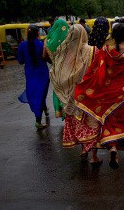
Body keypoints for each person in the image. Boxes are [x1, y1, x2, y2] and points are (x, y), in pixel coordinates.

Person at [74, 24, 124, 169]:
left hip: (109, 97)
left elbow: (94, 72)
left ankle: (112, 147)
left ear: (112, 36)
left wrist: (83, 86)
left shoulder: (104, 52)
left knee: (110, 122)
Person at [48, 24, 102, 165]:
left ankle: (83, 150)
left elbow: (56, 71)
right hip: (89, 96)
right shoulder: (93, 50)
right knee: (92, 124)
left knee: (77, 123)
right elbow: (99, 71)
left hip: (73, 96)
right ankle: (94, 156)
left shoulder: (63, 52)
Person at [18, 25, 50, 130]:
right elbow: (47, 58)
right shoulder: (41, 45)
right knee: (41, 93)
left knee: (35, 94)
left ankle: (43, 111)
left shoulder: (22, 45)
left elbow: (20, 61)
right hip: (43, 73)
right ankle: (38, 121)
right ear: (38, 34)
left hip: (30, 74)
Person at [43, 19, 69, 119]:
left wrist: (54, 62)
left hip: (56, 71)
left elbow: (44, 56)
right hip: (69, 71)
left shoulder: (48, 41)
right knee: (69, 93)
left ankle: (61, 111)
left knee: (59, 91)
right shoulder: (70, 40)